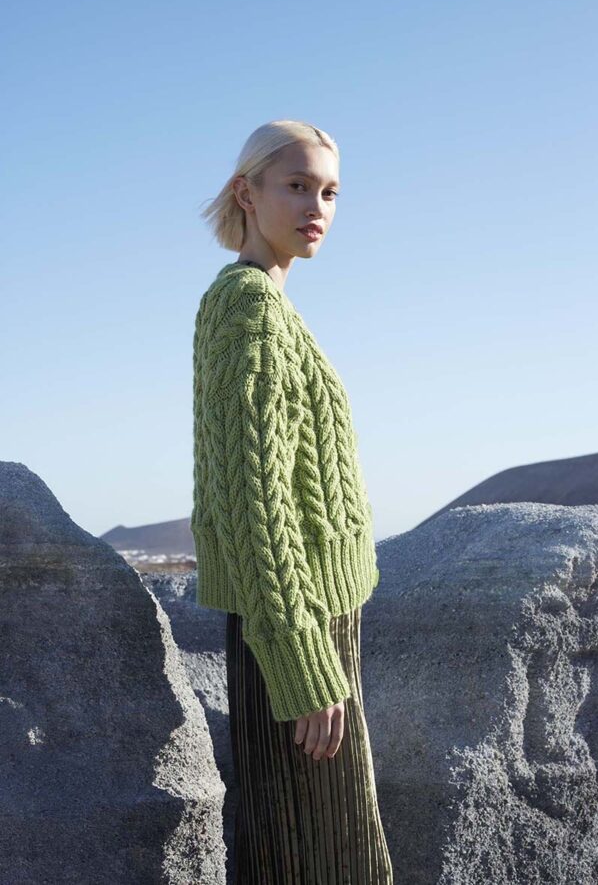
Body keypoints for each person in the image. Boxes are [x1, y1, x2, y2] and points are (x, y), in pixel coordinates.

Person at [191, 119, 393, 883]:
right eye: (298, 186)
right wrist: (303, 664)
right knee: (320, 857)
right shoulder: (248, 307)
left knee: (324, 849)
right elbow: (256, 501)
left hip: (311, 615)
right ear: (247, 193)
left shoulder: (267, 306)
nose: (317, 207)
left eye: (330, 192)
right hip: (295, 625)